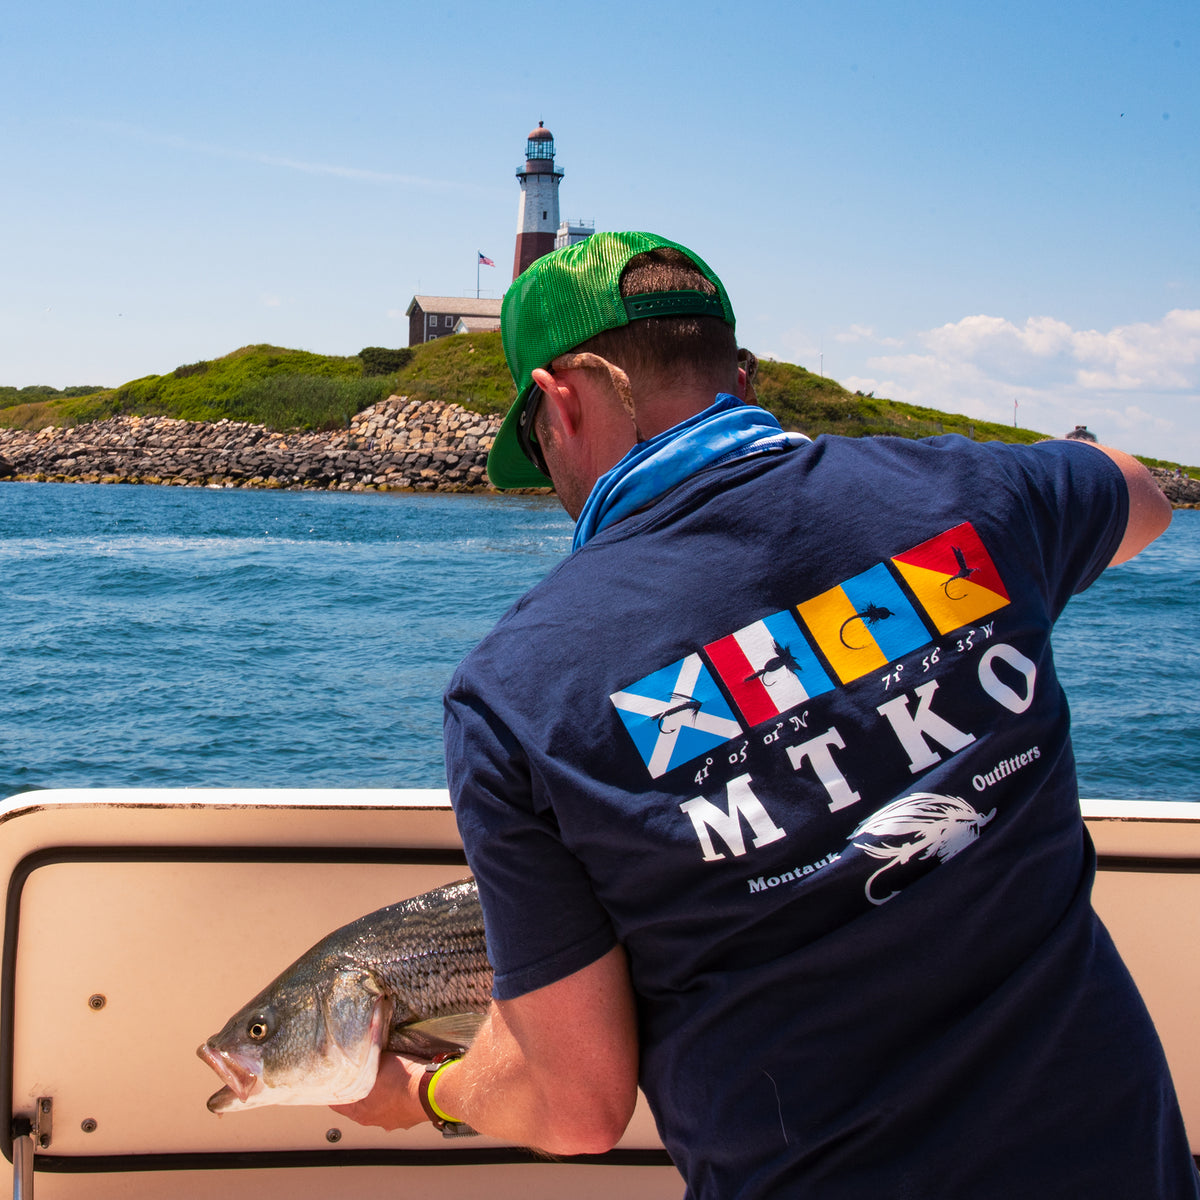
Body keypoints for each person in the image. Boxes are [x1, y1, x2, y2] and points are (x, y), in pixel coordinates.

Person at [335, 231, 1196, 1198]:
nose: (548, 475)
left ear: (561, 397)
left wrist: (429, 1093)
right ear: (732, 371)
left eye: (534, 440)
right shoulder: (976, 495)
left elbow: (574, 1107)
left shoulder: (519, 691)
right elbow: (1142, 494)